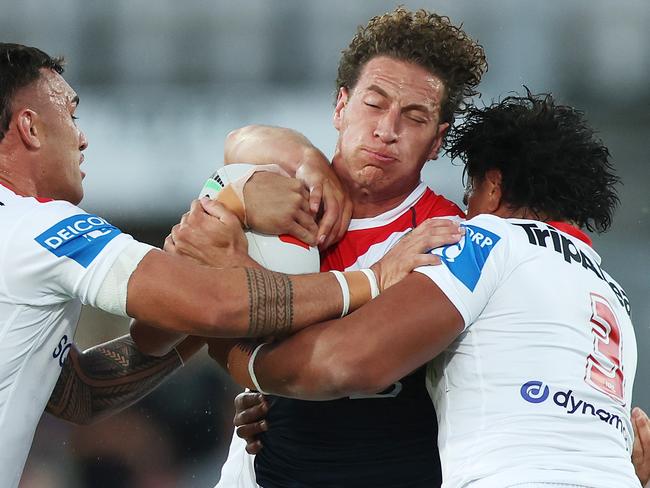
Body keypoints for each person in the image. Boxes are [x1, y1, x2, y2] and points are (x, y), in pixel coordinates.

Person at [0, 42, 432, 488]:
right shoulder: (36, 227)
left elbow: (81, 393)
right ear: (30, 127)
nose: (82, 136)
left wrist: (223, 227)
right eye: (71, 116)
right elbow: (216, 306)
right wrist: (372, 280)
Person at [186, 92, 641, 487]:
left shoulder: (485, 240)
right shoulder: (613, 294)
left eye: (471, 193)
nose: (467, 209)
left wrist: (240, 352)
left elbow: (346, 362)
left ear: (494, 189)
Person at [138, 6, 486, 487]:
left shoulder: (445, 233)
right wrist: (288, 165)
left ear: (436, 141)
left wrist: (240, 298)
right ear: (340, 106)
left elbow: (345, 362)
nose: (387, 130)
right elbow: (153, 336)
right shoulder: (273, 191)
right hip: (260, 471)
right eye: (373, 103)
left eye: (414, 117)